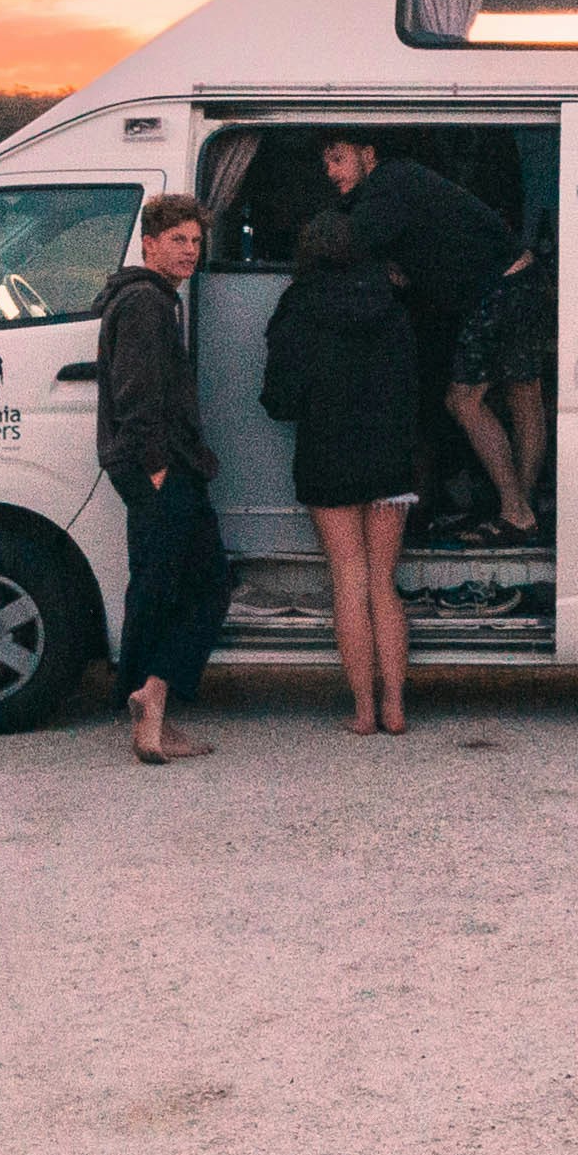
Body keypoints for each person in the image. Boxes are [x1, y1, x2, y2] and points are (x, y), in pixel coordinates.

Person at [260, 206, 419, 732]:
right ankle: (396, 707)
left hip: (328, 454)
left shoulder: (297, 306)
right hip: (390, 456)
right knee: (382, 581)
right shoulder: (392, 302)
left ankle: (364, 711)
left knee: (348, 577)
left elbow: (280, 397)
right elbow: (412, 384)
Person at [319, 135, 511, 530]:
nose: (331, 172)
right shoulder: (397, 186)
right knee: (504, 399)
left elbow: (350, 240)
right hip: (476, 296)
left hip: (489, 293)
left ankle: (512, 509)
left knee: (461, 403)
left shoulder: (390, 183)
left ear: (368, 155)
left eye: (338, 160)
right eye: (326, 165)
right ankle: (511, 509)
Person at [94, 192, 224, 763]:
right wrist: (157, 469)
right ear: (149, 244)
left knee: (155, 587)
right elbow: (137, 396)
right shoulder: (147, 304)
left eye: (197, 242)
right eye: (179, 240)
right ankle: (152, 698)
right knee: (206, 586)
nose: (191, 251)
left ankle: (152, 712)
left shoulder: (147, 298)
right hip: (159, 468)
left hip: (155, 467)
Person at [443, 221, 555, 537]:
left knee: (464, 400)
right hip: (527, 279)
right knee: (525, 394)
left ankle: (516, 509)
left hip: (495, 286)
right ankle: (522, 507)